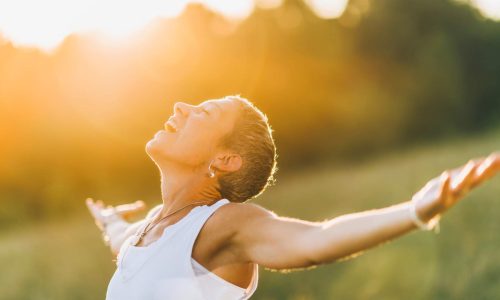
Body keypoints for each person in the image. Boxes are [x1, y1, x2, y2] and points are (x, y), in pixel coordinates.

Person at [86, 95, 499, 300]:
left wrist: (414, 211)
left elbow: (314, 241)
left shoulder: (222, 224)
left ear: (224, 159)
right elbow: (125, 245)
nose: (180, 107)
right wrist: (109, 222)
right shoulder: (153, 228)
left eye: (202, 114)